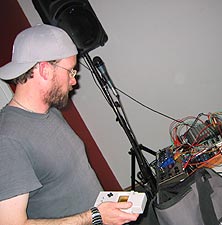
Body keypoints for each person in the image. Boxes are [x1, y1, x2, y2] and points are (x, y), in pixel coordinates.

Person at [0, 24, 139, 225]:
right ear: (45, 69)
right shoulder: (7, 139)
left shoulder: (51, 112)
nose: (74, 81)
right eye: (71, 72)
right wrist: (94, 217)